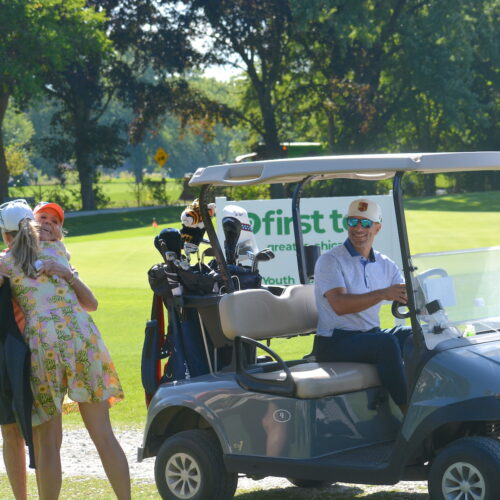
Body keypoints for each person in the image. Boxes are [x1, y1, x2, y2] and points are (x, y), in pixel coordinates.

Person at [0, 199, 131, 500]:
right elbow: (90, 304)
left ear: (6, 234)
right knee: (104, 436)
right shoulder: (59, 251)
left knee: (47, 444)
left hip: (43, 343)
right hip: (84, 337)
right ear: (33, 225)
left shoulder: (6, 262)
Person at [314, 198, 412, 411]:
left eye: (365, 223)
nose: (358, 228)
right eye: (353, 221)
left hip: (369, 336)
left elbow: (407, 293)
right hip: (335, 341)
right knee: (385, 343)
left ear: (377, 228)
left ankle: (428, 397)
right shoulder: (330, 260)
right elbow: (339, 305)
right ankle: (408, 413)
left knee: (415, 335)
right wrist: (384, 293)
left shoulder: (385, 264)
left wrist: (415, 296)